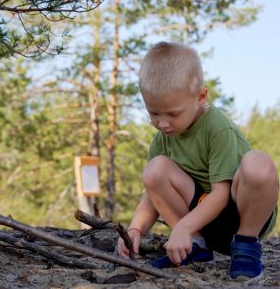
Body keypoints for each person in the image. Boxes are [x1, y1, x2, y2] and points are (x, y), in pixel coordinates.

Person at [117, 41, 279, 281]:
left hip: (241, 214)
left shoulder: (216, 128)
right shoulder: (162, 140)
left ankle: (246, 245)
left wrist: (183, 226)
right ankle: (196, 246)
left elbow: (221, 194)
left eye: (173, 113)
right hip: (201, 224)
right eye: (153, 113)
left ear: (201, 96)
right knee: (154, 170)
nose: (162, 123)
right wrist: (135, 229)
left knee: (259, 163)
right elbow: (151, 195)